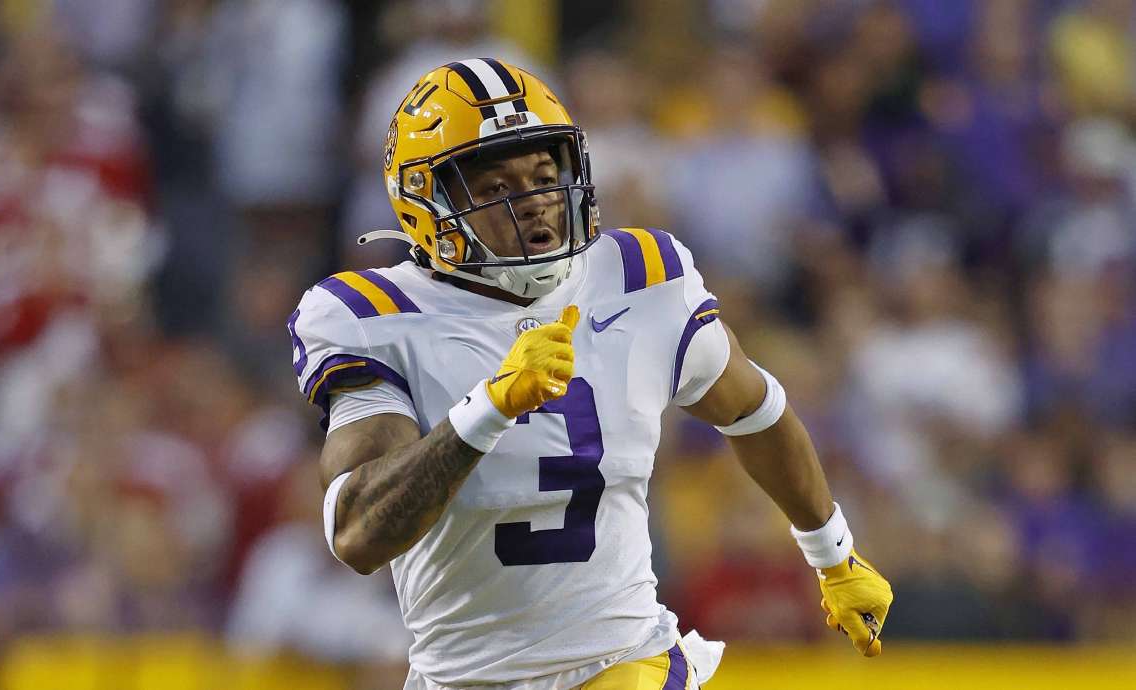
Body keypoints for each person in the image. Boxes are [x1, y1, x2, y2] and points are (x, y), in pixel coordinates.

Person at [288, 58, 893, 689]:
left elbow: (754, 408)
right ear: (427, 202)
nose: (534, 203)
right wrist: (487, 409)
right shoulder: (373, 315)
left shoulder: (639, 275)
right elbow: (357, 534)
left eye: (545, 177)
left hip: (621, 659)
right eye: (495, 189)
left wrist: (834, 554)